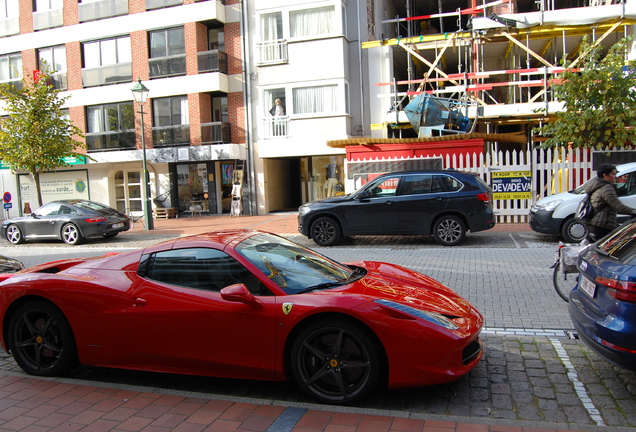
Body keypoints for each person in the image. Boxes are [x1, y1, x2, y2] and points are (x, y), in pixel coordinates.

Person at [585, 163, 636, 241]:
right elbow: (618, 207)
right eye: (613, 174)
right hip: (603, 225)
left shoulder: (598, 185)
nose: (615, 177)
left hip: (595, 223)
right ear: (605, 175)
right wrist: (634, 211)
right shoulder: (607, 188)